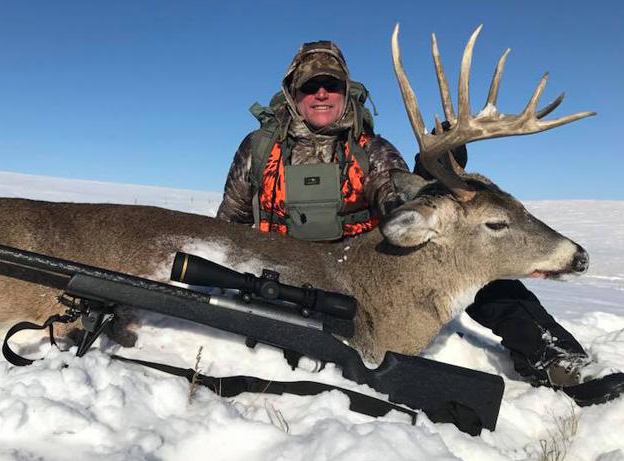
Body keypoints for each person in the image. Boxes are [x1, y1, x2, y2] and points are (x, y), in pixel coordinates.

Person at [216, 40, 624, 406]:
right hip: (278, 267)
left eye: (332, 85)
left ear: (344, 92)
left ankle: (555, 359)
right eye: (309, 86)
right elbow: (228, 221)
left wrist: (439, 176)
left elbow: (397, 198)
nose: (321, 94)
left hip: (360, 268)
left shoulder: (369, 150)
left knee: (468, 251)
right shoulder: (259, 149)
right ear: (293, 93)